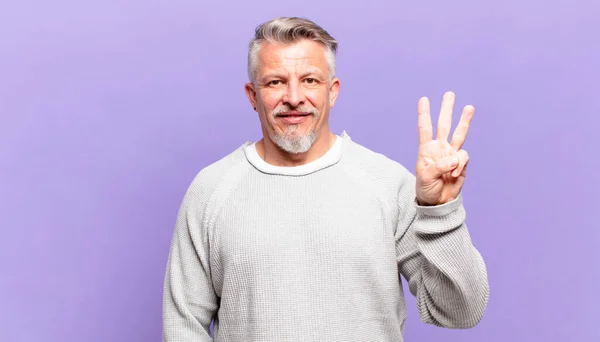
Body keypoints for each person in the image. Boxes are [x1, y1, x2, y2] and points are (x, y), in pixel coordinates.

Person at [162, 17, 490, 342]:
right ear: (252, 95)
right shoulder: (211, 190)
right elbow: (182, 328)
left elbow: (461, 312)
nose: (293, 97)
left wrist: (441, 211)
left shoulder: (389, 184)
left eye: (310, 80)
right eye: (275, 82)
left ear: (332, 91)